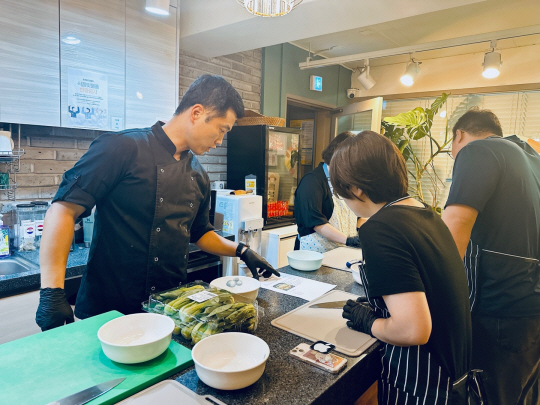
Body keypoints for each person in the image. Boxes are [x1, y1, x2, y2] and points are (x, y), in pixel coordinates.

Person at [36, 74, 279, 331]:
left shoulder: (198, 175)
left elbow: (200, 233)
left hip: (167, 309)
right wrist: (52, 292)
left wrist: (242, 250)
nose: (220, 142)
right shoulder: (121, 147)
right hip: (108, 310)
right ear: (197, 113)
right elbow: (62, 210)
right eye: (222, 130)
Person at [330, 131, 471, 404]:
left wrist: (369, 322)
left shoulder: (381, 228)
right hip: (453, 375)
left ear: (356, 188)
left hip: (424, 384)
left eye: (341, 192)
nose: (345, 203)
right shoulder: (422, 211)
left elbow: (412, 330)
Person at [442, 108, 540, 405]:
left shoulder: (478, 149)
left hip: (500, 307)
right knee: (521, 394)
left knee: (490, 397)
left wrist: (430, 291)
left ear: (460, 135)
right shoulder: (531, 158)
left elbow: (454, 227)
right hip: (529, 307)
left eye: (451, 150)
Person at [294, 131, 362, 253]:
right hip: (314, 254)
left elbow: (355, 216)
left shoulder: (344, 181)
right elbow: (316, 223)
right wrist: (348, 240)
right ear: (338, 156)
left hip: (341, 251)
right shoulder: (312, 181)